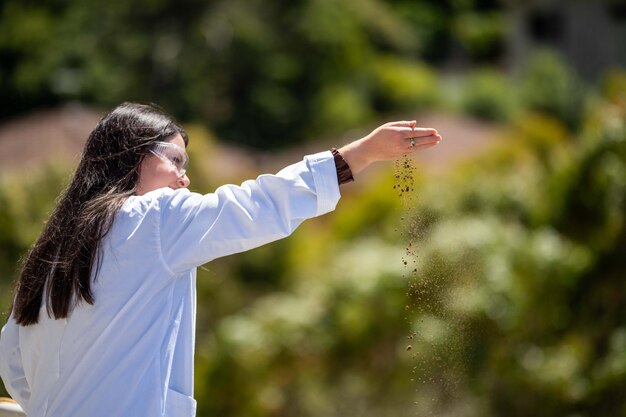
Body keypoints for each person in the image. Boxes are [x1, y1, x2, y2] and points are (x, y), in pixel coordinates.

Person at [0, 102, 441, 417]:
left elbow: (13, 362)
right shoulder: (153, 219)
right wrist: (360, 154)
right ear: (132, 156)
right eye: (175, 160)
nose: (184, 177)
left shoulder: (52, 248)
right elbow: (253, 206)